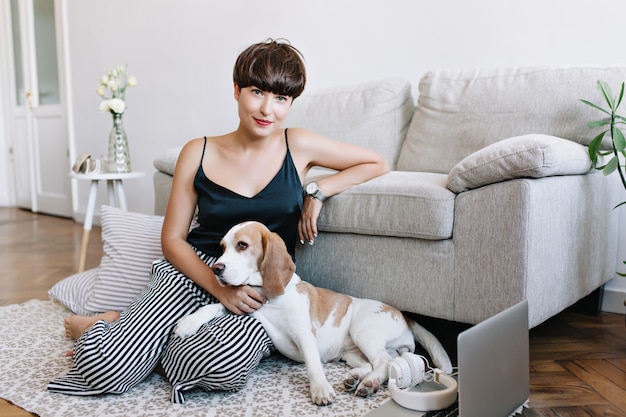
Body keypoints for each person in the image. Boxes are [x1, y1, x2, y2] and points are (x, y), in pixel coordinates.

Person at [48, 39, 389, 403]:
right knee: (106, 366)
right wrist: (219, 288)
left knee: (220, 366)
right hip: (191, 275)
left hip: (257, 295)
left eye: (281, 99)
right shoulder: (198, 151)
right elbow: (173, 240)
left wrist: (318, 191)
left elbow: (376, 163)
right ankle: (104, 328)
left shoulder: (298, 144)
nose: (267, 109)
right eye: (257, 92)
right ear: (236, 90)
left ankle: (139, 342)